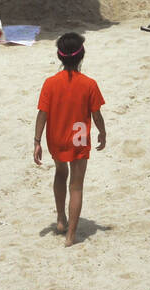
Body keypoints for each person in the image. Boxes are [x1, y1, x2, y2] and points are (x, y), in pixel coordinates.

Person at [33, 33, 106, 247]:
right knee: (76, 185)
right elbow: (96, 114)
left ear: (60, 56)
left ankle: (60, 219)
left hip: (55, 135)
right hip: (79, 133)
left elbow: (42, 114)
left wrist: (37, 141)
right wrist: (102, 132)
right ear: (81, 56)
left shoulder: (50, 83)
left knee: (60, 172)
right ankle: (71, 236)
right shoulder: (89, 84)